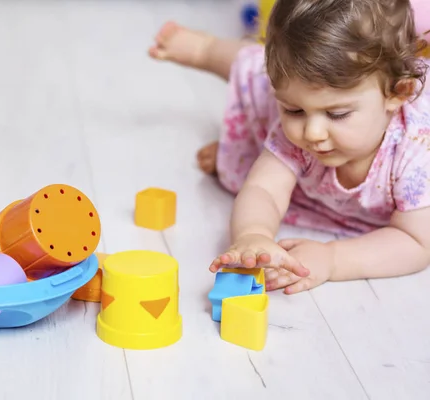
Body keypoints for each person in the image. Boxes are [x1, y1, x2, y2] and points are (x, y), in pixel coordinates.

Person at [148, 0, 430, 294]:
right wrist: (253, 234)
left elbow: (417, 242)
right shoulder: (297, 113)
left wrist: (333, 258)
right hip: (281, 89)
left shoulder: (417, 153)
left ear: (398, 94)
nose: (313, 132)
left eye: (337, 114)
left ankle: (238, 139)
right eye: (295, 111)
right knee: (256, 77)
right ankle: (205, 50)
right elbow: (263, 189)